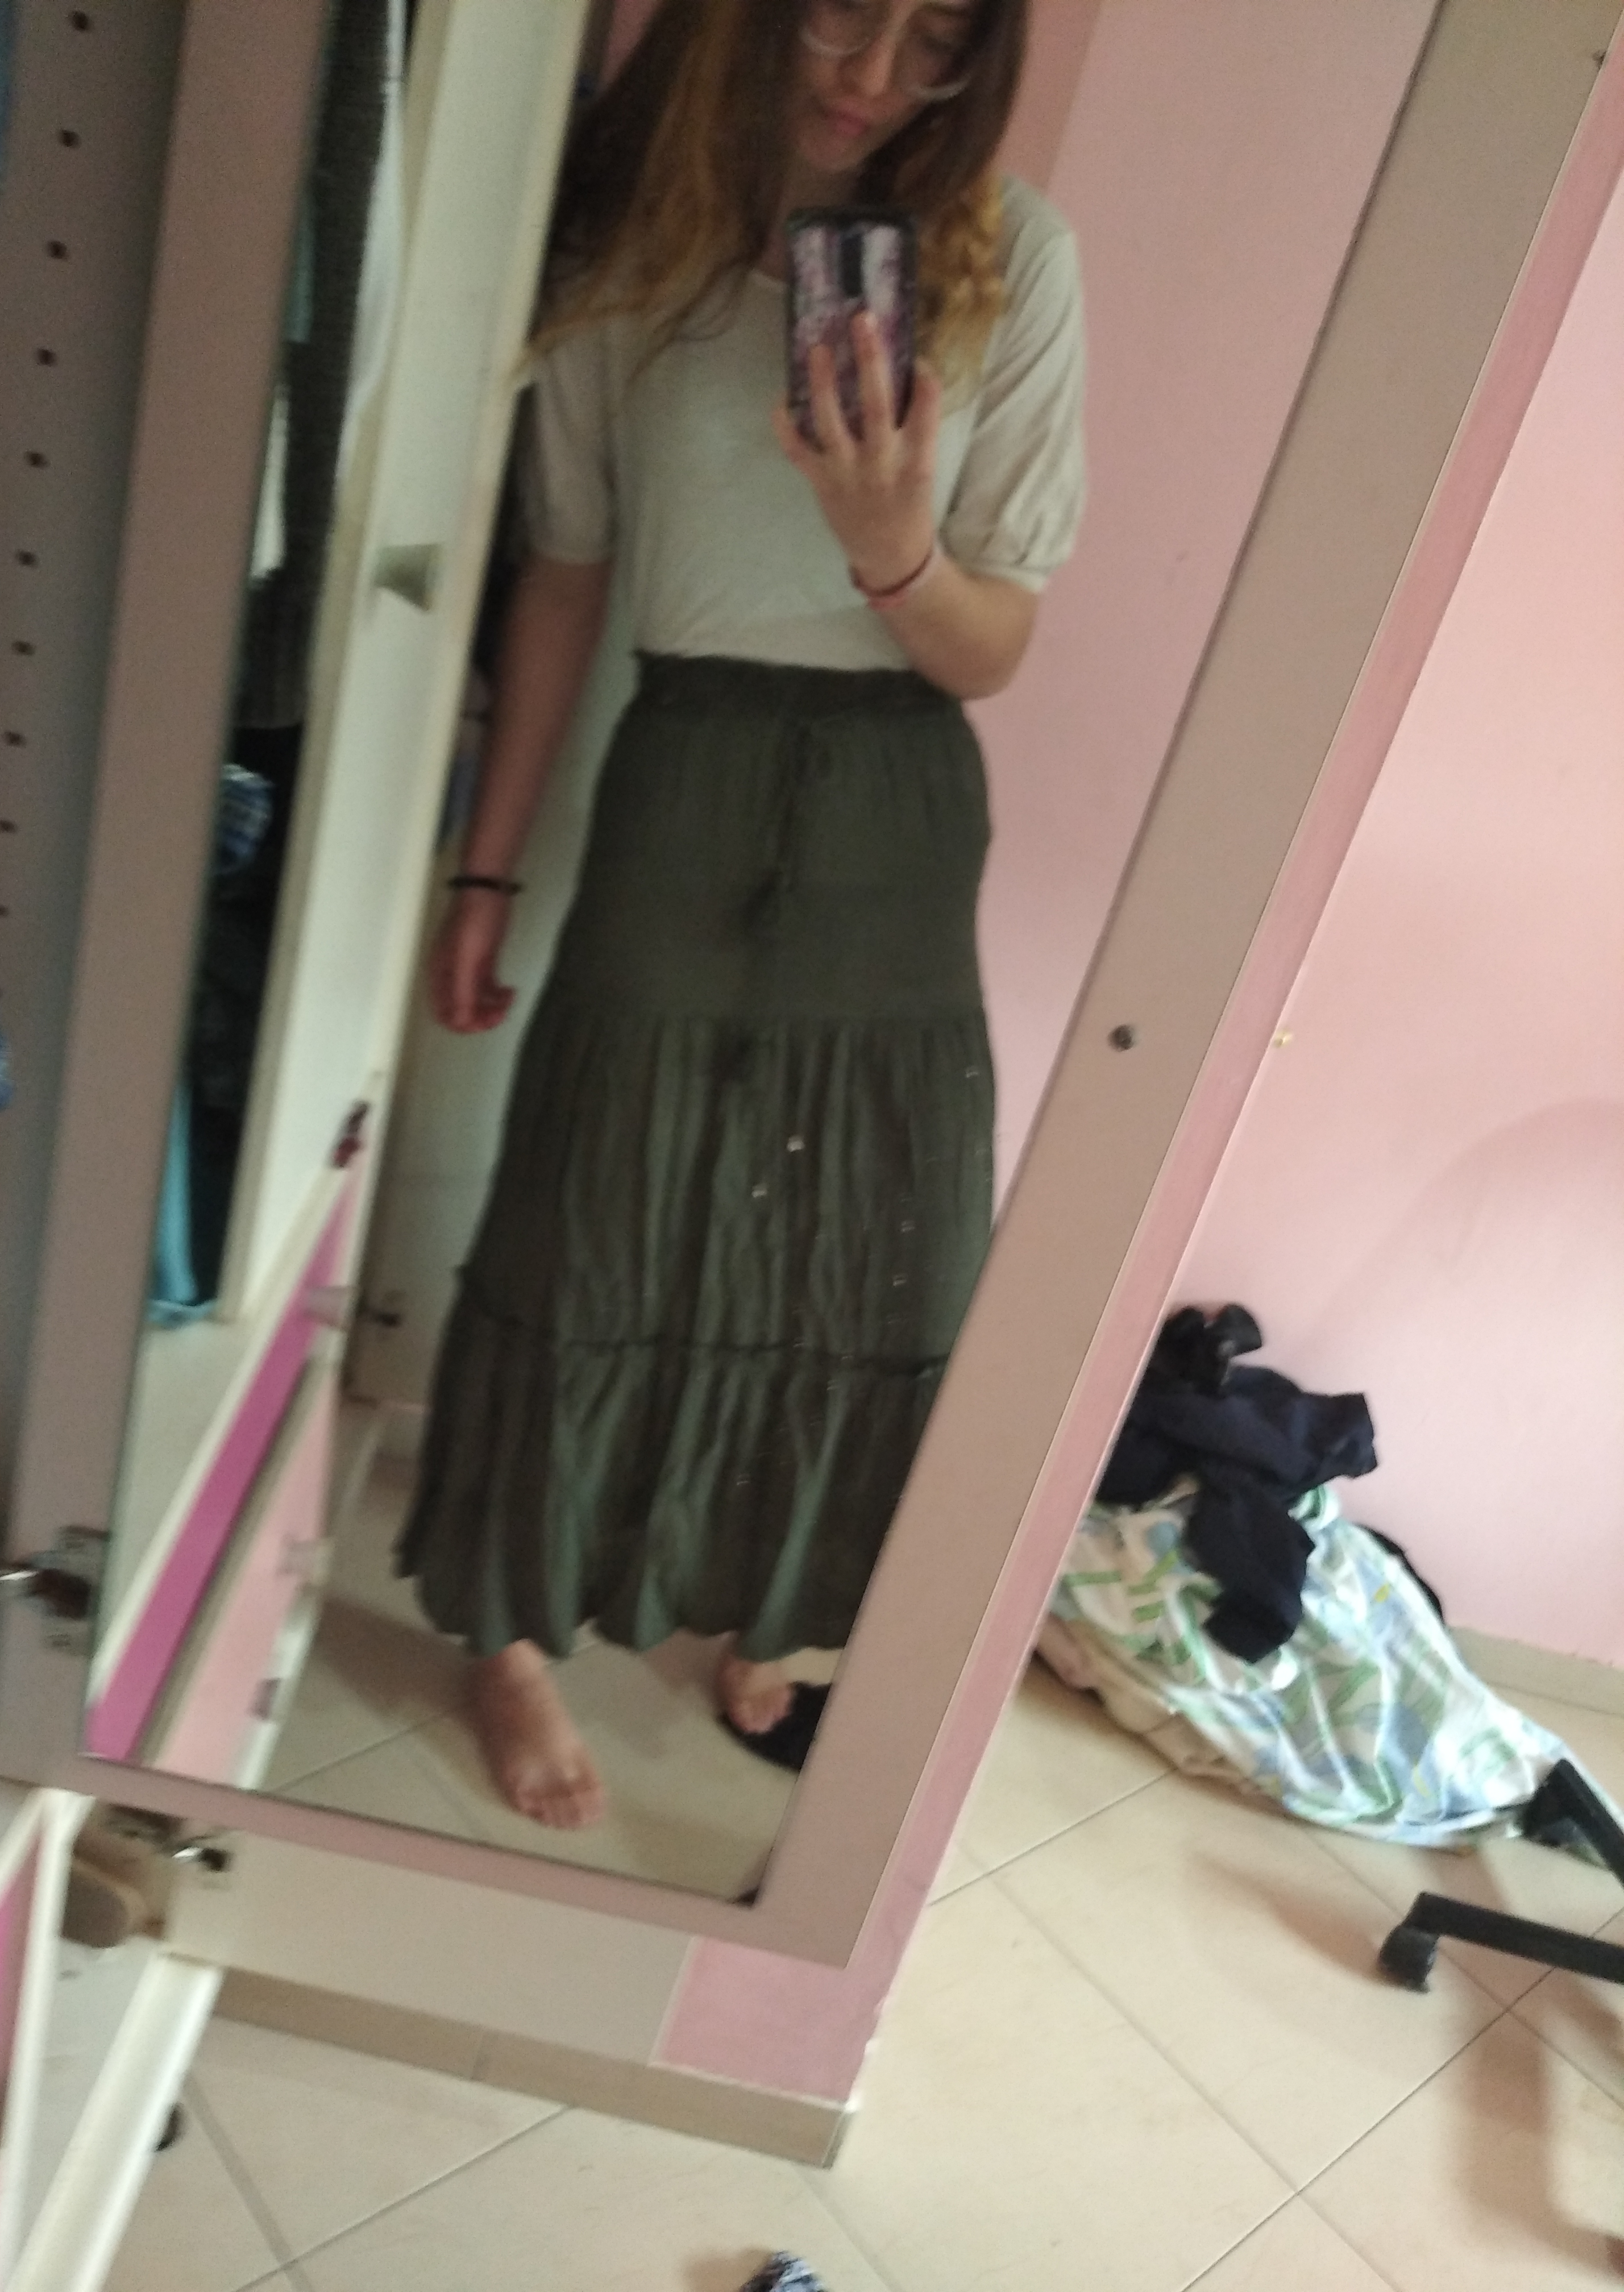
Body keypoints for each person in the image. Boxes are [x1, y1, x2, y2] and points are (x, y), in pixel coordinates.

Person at [396, 0, 1085, 1828]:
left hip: (897, 791)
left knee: (861, 1236)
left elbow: (995, 645)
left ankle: (767, 1589)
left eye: (935, 40)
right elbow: (565, 573)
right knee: (589, 1207)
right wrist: (484, 867)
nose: (872, 75)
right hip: (682, 770)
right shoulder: (632, 235)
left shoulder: (1013, 258)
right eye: (841, 12)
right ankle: (511, 1627)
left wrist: (892, 546)